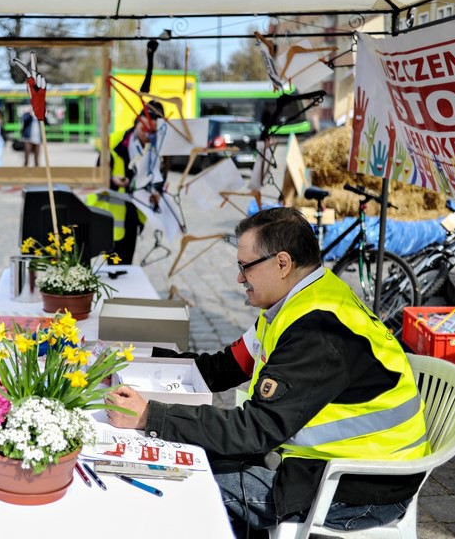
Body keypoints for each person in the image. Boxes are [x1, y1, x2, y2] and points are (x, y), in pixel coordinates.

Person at [106, 207, 429, 538]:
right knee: (190, 457)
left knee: (188, 483)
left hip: (360, 486)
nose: (239, 278)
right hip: (319, 464)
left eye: (245, 267)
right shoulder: (297, 302)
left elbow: (254, 430)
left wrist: (151, 416)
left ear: (283, 263)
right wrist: (130, 362)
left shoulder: (318, 332)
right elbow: (223, 368)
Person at [87, 40, 163, 264]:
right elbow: (98, 172)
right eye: (144, 129)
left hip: (133, 215)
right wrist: (112, 179)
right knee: (108, 267)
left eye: (152, 132)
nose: (146, 135)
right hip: (109, 213)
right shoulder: (114, 142)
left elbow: (158, 178)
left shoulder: (156, 148)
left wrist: (156, 191)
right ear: (137, 121)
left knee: (126, 266)